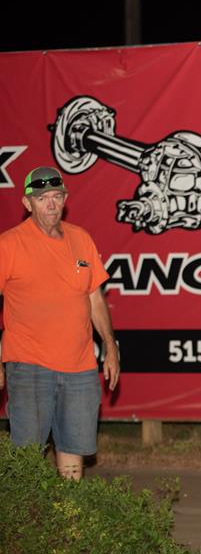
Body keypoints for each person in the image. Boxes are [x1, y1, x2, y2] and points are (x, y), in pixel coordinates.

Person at [0, 166, 120, 480]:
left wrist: (110, 346)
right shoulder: (9, 244)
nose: (51, 204)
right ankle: (23, 527)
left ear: (65, 199)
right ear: (27, 204)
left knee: (73, 451)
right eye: (42, 198)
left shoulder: (81, 239)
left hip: (80, 367)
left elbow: (94, 297)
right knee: (27, 455)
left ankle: (69, 522)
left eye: (56, 196)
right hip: (28, 365)